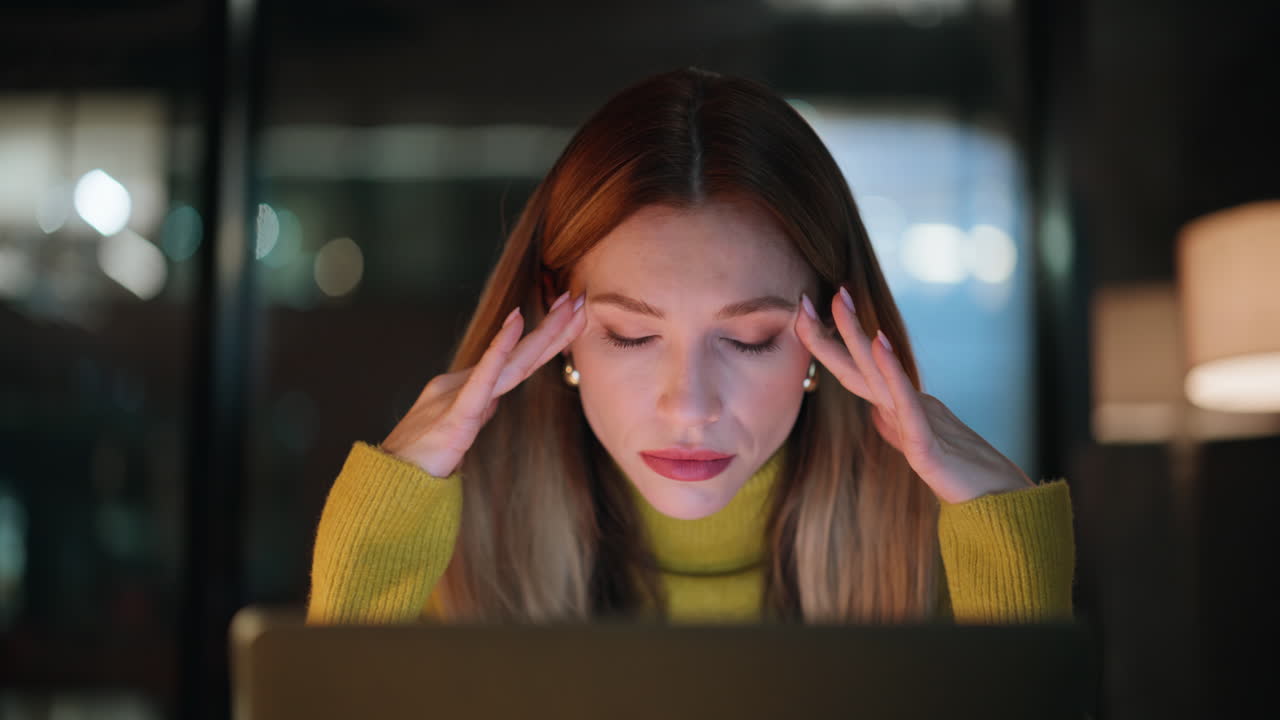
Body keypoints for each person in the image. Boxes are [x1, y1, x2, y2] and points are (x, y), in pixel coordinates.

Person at [306, 67, 1074, 626]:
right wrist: (384, 516)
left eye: (748, 340)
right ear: (555, 319)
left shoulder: (948, 556)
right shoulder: (450, 548)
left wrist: (1005, 530)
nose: (691, 406)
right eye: (632, 335)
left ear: (826, 340)